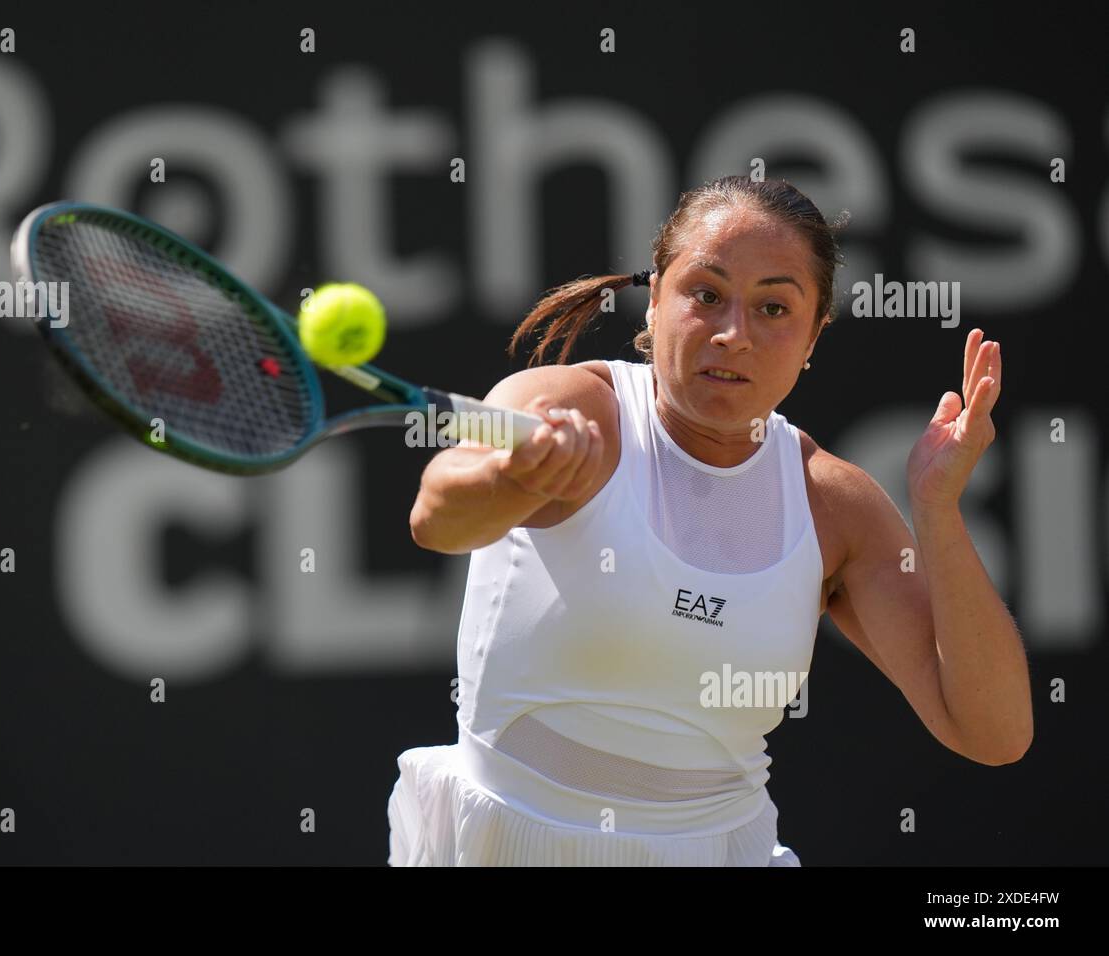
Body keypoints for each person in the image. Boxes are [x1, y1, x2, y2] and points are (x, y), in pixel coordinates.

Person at [390, 175, 1031, 866]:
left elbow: (992, 732)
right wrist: (514, 476)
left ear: (814, 334)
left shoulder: (834, 505)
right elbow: (437, 519)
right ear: (656, 300)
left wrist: (937, 510)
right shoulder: (570, 404)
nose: (733, 334)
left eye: (774, 308)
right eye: (706, 294)